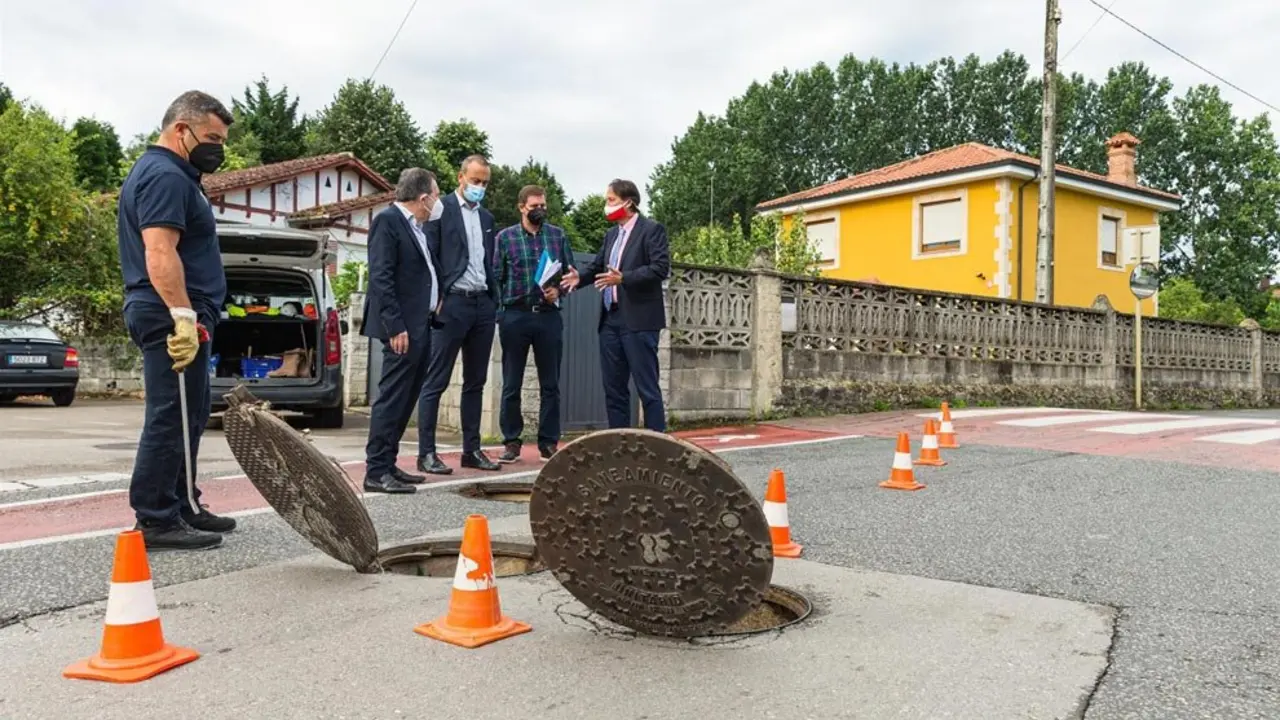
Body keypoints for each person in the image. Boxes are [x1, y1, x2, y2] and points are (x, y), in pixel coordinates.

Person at [117, 90, 236, 551]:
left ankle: (182, 503)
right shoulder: (165, 175)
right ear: (180, 130)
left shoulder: (181, 177)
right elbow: (159, 250)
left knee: (190, 413)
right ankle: (155, 518)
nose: (217, 150)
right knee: (171, 415)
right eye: (211, 138)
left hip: (182, 311)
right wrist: (183, 315)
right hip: (169, 312)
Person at [561, 179, 670, 432]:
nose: (607, 205)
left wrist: (625, 278)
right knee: (613, 388)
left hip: (640, 321)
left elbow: (660, 268)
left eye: (611, 200)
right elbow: (599, 266)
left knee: (647, 387)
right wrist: (579, 279)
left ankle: (658, 442)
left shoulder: (651, 230)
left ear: (628, 202)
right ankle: (618, 443)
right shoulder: (612, 235)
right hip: (610, 320)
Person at [416, 155, 501, 474]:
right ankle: (426, 453)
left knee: (475, 382)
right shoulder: (441, 210)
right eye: (475, 180)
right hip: (451, 304)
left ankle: (472, 450)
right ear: (461, 177)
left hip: (482, 305)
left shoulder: (488, 218)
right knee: (435, 380)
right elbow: (430, 256)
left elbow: (487, 261)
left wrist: (495, 299)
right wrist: (435, 298)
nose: (480, 187)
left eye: (485, 182)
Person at [361, 168, 443, 494]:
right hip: (402, 328)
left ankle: (389, 463)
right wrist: (395, 325)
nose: (438, 201)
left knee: (407, 397)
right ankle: (376, 470)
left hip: (421, 324)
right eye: (436, 195)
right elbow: (381, 277)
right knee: (392, 398)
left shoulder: (418, 228)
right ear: (423, 198)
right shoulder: (388, 222)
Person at [492, 185, 576, 463]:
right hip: (515, 315)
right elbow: (496, 277)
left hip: (548, 315)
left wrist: (559, 291)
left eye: (543, 205)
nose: (539, 210)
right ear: (521, 207)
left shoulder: (558, 236)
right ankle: (512, 442)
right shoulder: (505, 238)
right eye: (534, 206)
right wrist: (501, 313)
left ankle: (548, 442)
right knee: (511, 382)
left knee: (550, 382)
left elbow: (569, 275)